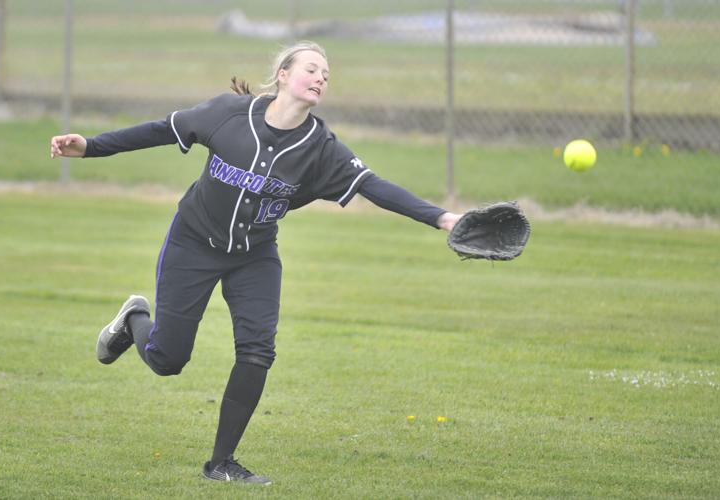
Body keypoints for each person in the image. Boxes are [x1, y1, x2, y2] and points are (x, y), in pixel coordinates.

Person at [50, 41, 462, 485]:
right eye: (311, 68)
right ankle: (134, 318)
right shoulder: (228, 114)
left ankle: (221, 463)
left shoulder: (321, 147)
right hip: (193, 243)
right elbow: (160, 130)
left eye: (327, 73)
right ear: (283, 75)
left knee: (258, 349)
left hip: (255, 254)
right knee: (168, 359)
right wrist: (90, 147)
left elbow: (374, 185)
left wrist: (442, 218)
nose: (321, 77)